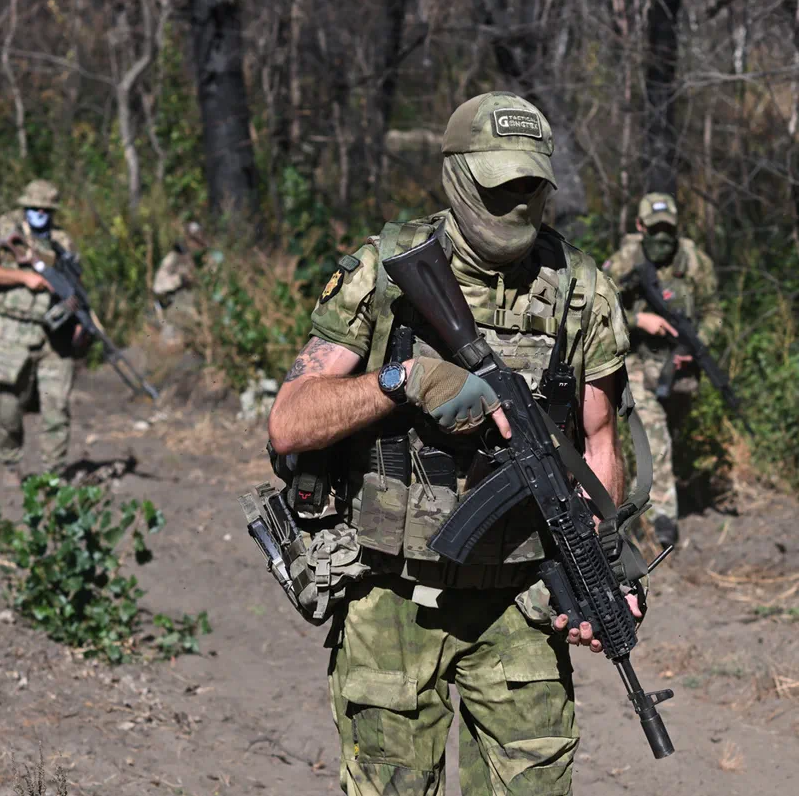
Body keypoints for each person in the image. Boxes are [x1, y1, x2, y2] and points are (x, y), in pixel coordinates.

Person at [267, 91, 639, 795]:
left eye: (532, 183)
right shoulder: (386, 272)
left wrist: (602, 575)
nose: (519, 202)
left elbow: (598, 445)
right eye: (502, 184)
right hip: (390, 598)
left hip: (523, 601)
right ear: (458, 175)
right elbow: (289, 421)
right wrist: (404, 380)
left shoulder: (581, 291)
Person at [603, 192, 721, 549]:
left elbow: (714, 311)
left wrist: (696, 343)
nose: (662, 237)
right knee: (654, 435)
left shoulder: (694, 261)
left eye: (668, 229)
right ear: (640, 227)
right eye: (654, 229)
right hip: (636, 360)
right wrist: (640, 320)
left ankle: (640, 496)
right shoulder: (624, 260)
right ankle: (662, 518)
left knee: (668, 432)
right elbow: (598, 311)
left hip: (677, 368)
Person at [0, 179, 79, 485]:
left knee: (57, 406)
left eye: (46, 210)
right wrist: (23, 277)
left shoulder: (62, 242)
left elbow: (73, 288)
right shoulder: (5, 231)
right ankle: (10, 464)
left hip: (54, 337)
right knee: (10, 403)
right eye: (34, 209)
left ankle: (54, 474)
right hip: (13, 331)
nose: (40, 214)